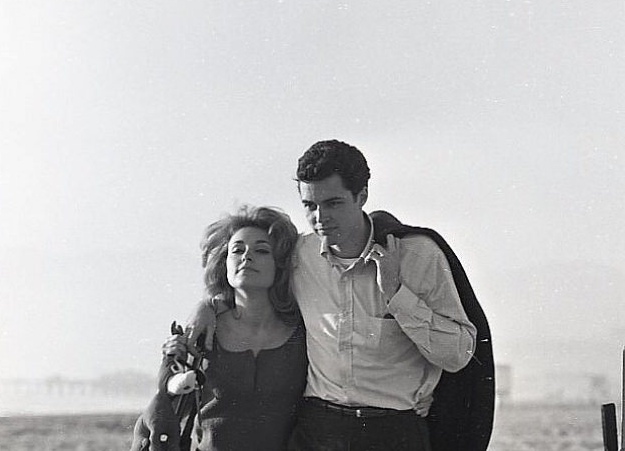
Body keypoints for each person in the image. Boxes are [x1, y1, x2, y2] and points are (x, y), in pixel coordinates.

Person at [183, 140, 489, 451]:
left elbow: (459, 354)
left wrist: (396, 295)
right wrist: (207, 306)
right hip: (318, 430)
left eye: (333, 203)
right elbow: (250, 286)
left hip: (395, 432)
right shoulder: (299, 256)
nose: (319, 218)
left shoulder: (417, 256)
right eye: (309, 206)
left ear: (362, 196)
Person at [133, 206, 308, 451]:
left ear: (280, 265)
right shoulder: (200, 332)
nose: (247, 257)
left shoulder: (304, 332)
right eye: (237, 250)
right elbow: (166, 396)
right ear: (223, 263)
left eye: (261, 250)